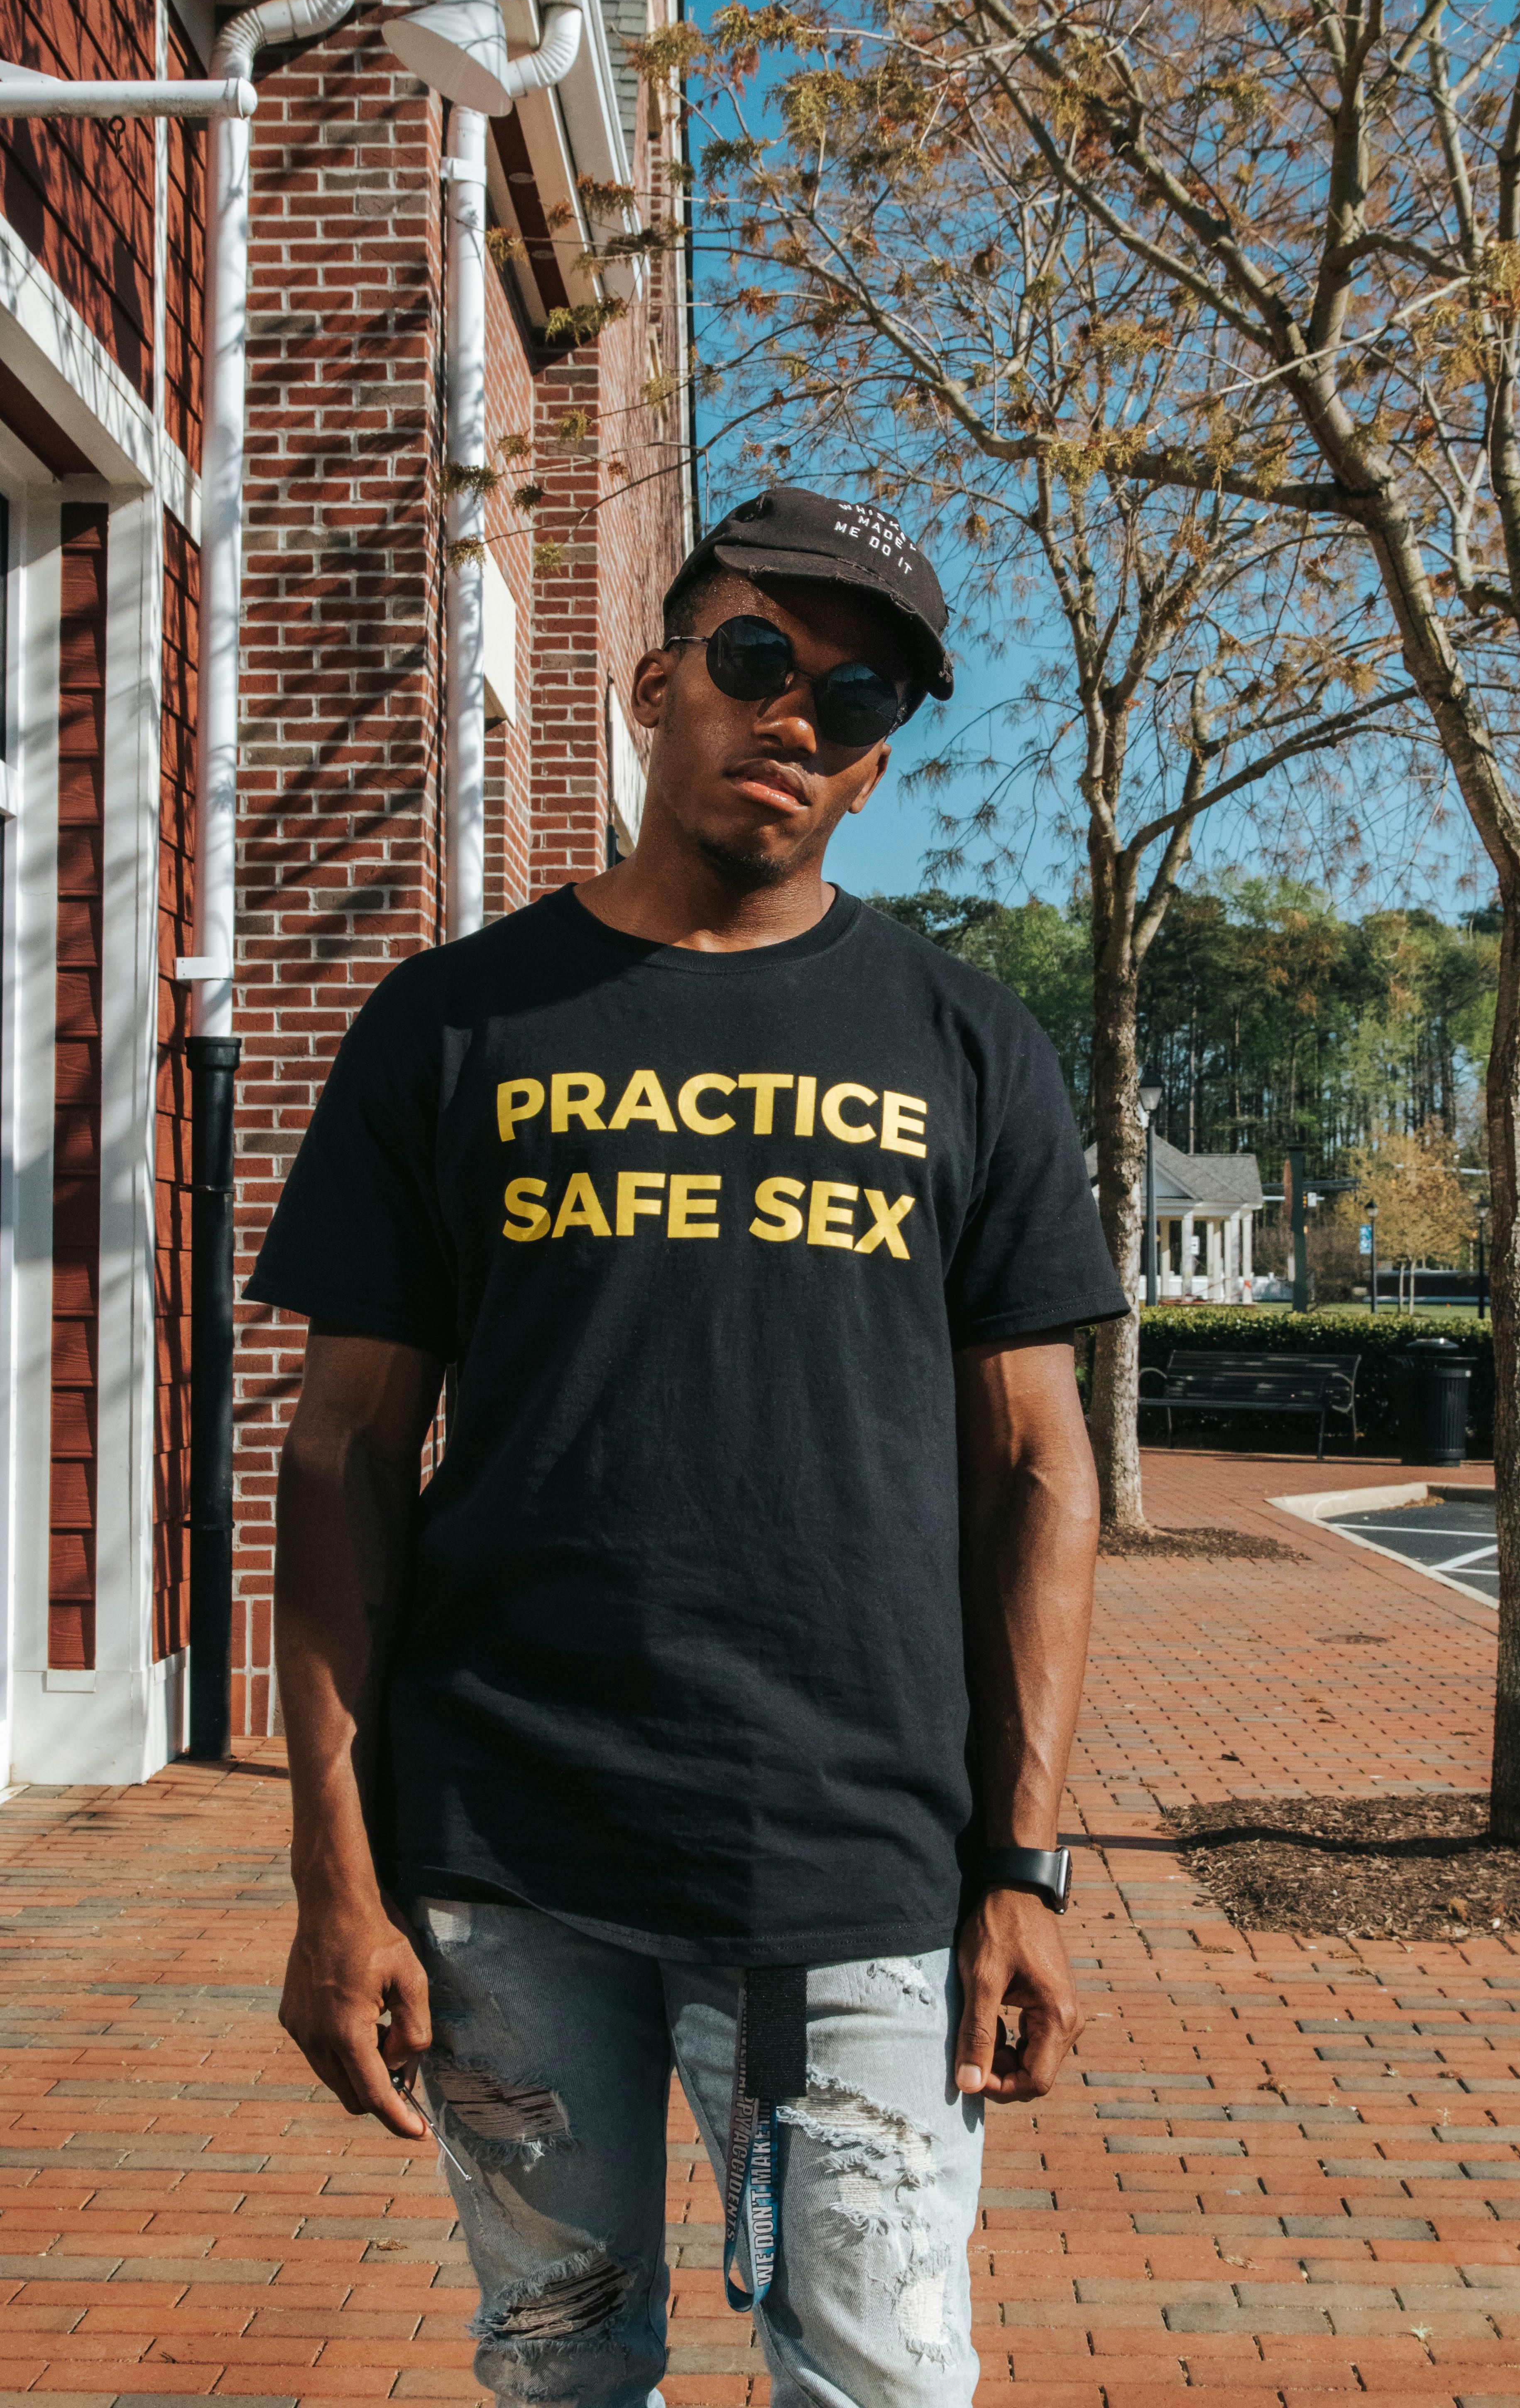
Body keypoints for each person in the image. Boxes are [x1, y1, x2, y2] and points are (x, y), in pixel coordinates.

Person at [254, 486, 1124, 2408]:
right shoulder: (451, 1025)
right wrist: (335, 1868)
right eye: (755, 659)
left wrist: (1026, 1866)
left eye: (856, 691)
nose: (796, 711)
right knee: (559, 2367)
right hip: (505, 1841)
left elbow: (1041, 1475)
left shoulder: (968, 1044)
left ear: (882, 767)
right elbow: (337, 1466)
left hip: (858, 1854)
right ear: (656, 683)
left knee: (879, 2377)